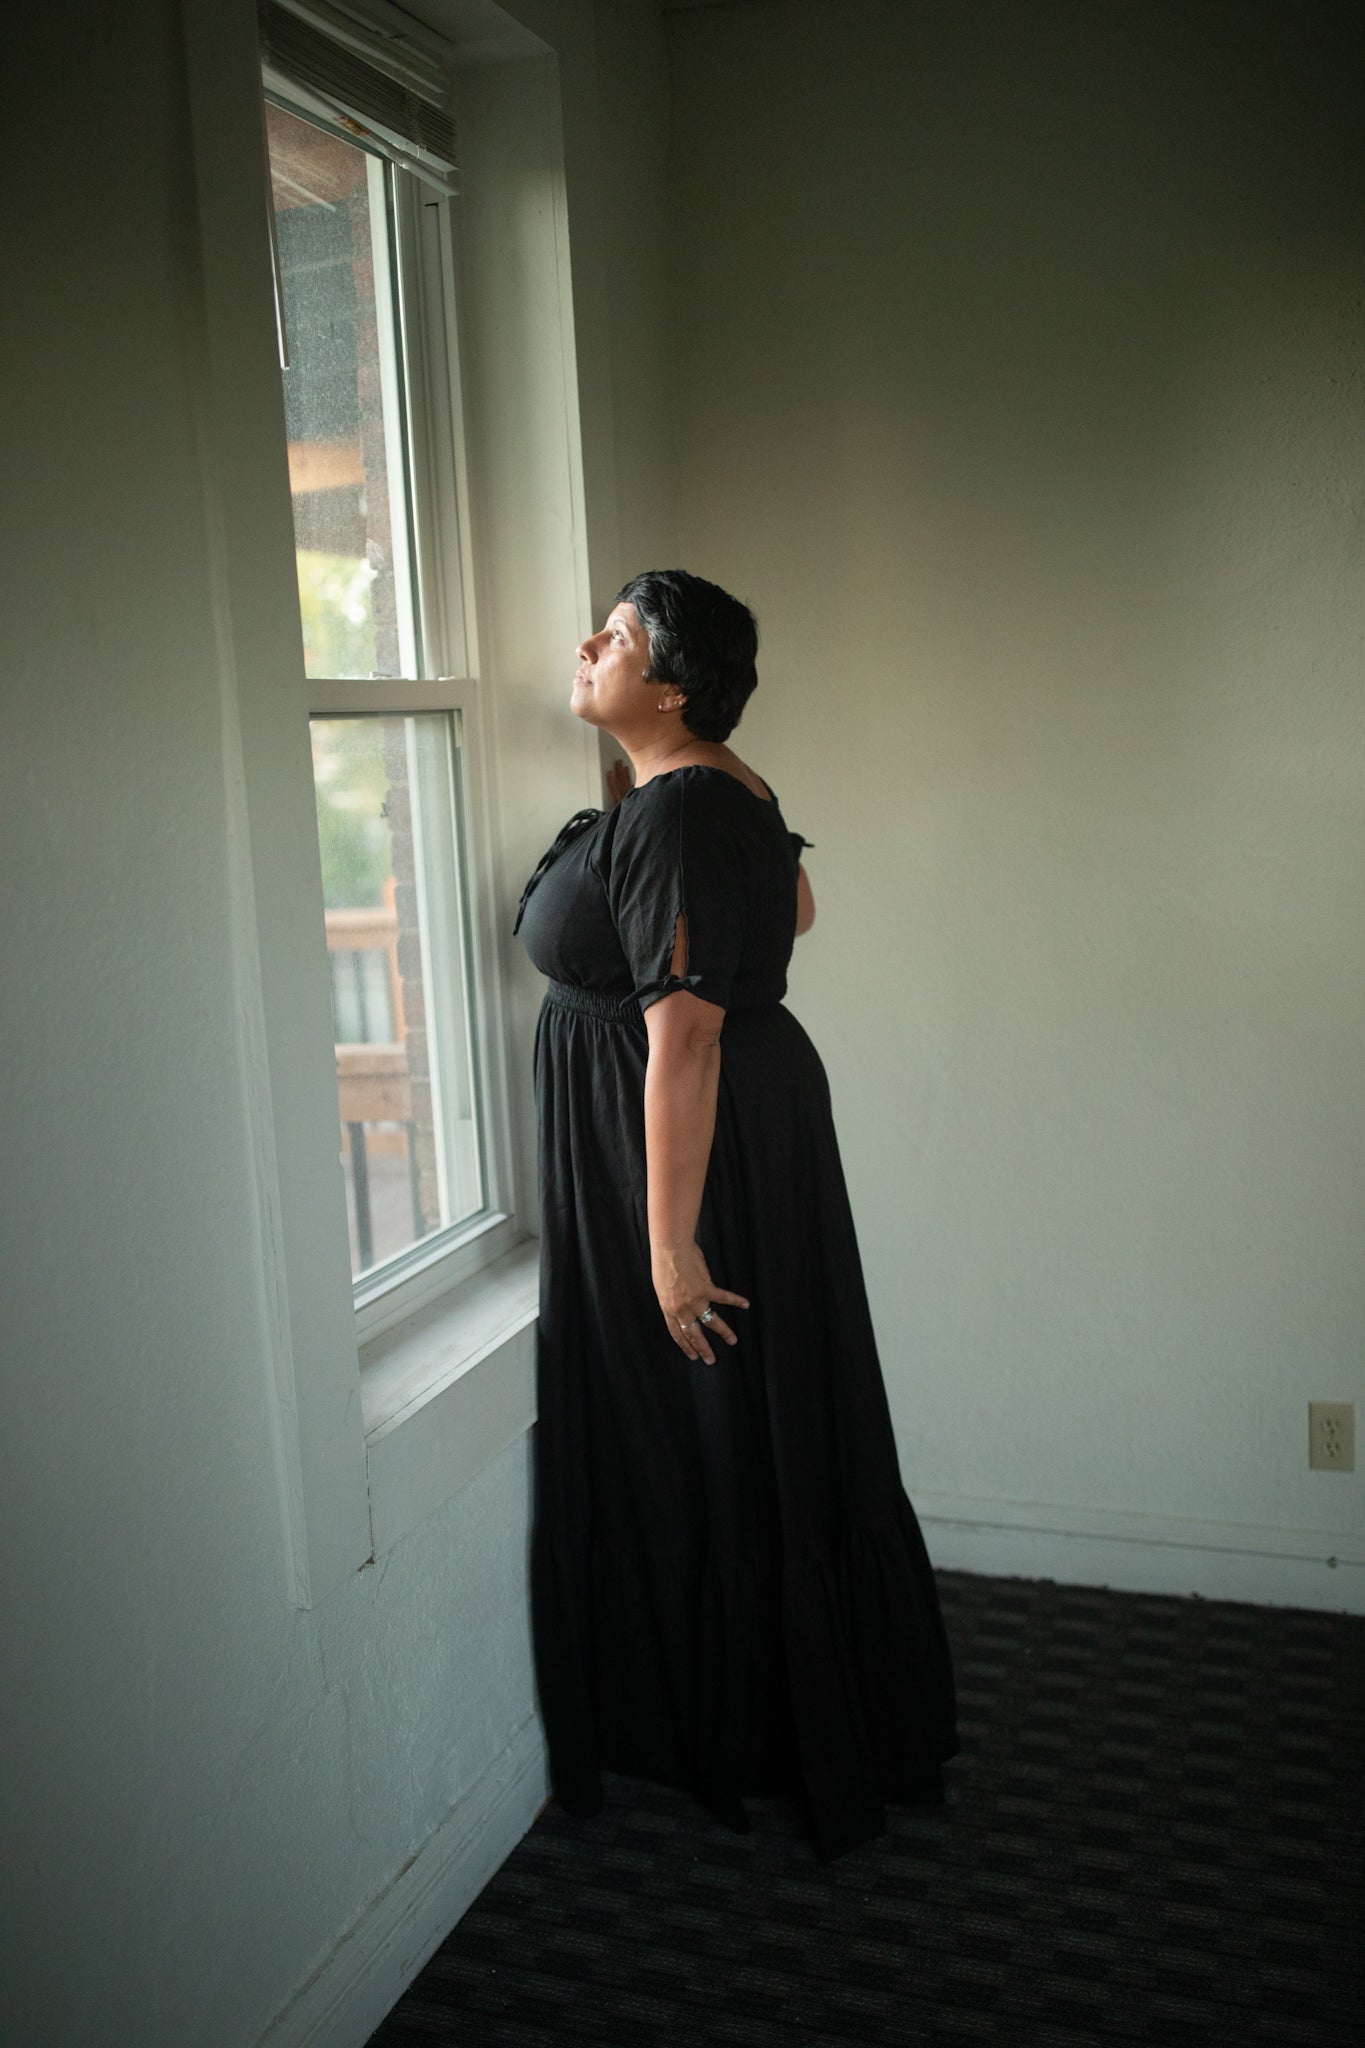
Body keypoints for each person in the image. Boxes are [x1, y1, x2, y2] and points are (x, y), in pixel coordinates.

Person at [514, 569, 957, 1860]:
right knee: (747, 1425)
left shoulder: (687, 803)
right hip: (746, 1135)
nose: (587, 641)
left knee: (716, 1422)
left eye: (619, 635)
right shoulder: (710, 792)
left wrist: (667, 1245)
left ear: (669, 686)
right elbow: (796, 909)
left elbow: (689, 1041)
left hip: (696, 1156)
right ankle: (772, 1716)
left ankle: (755, 1736)